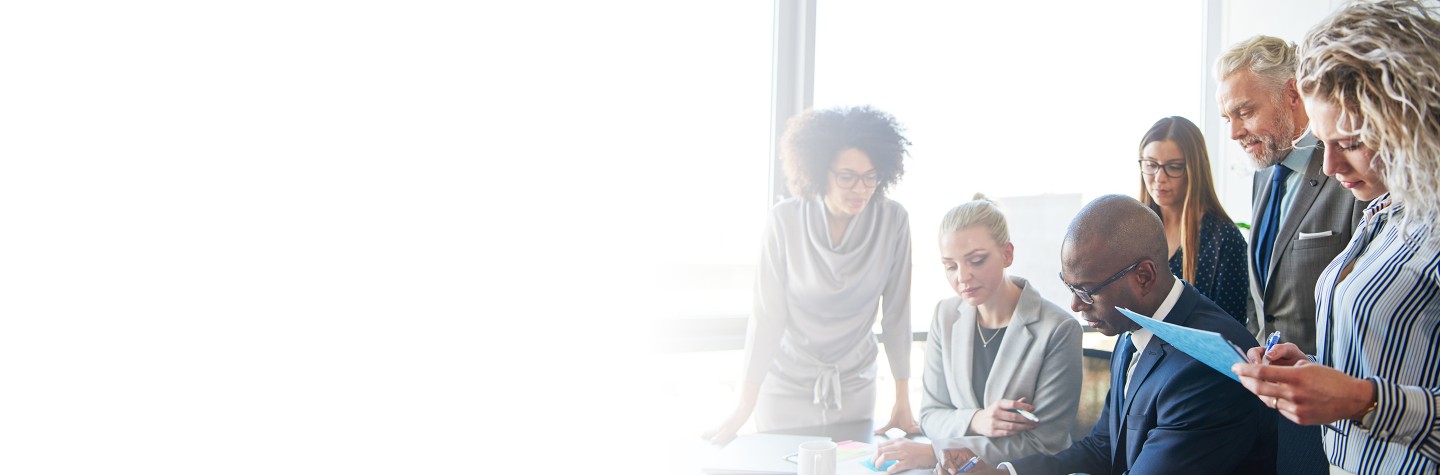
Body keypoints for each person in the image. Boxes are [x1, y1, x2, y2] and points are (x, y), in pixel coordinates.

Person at [1231, 2, 1440, 474]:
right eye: (1323, 144)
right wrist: (1316, 367)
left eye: (1350, 144)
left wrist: (1362, 400)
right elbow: (1398, 356)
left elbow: (1377, 393)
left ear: (1414, 120)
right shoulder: (1386, 210)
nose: (1329, 167)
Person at [938, 195, 1277, 475]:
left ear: (1143, 276)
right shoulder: (1133, 327)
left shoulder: (1205, 365)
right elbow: (1103, 446)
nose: (1074, 304)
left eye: (1086, 291)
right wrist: (1004, 473)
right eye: (1069, 286)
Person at [703, 105, 918, 445]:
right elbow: (766, 319)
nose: (860, 189)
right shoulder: (784, 220)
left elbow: (897, 316)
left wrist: (902, 399)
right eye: (846, 176)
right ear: (819, 171)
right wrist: (744, 405)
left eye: (870, 176)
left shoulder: (893, 221)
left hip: (854, 384)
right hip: (786, 383)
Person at [1216, 34, 1366, 474]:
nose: (1234, 131)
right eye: (1228, 116)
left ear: (1292, 93)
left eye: (1245, 111)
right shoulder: (1265, 174)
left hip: (1336, 413)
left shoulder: (1348, 170)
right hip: (1267, 405)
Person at [870, 195, 1081, 473]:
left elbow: (1044, 443)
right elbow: (931, 416)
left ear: (1007, 253)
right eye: (950, 265)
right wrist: (977, 419)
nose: (962, 277)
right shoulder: (945, 315)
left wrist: (937, 452)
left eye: (977, 260)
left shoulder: (1058, 330)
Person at [1135, 116, 1248, 322]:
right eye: (1151, 165)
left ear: (1194, 169)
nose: (1159, 178)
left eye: (1174, 167)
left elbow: (1232, 331)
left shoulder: (1224, 239)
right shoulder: (1133, 231)